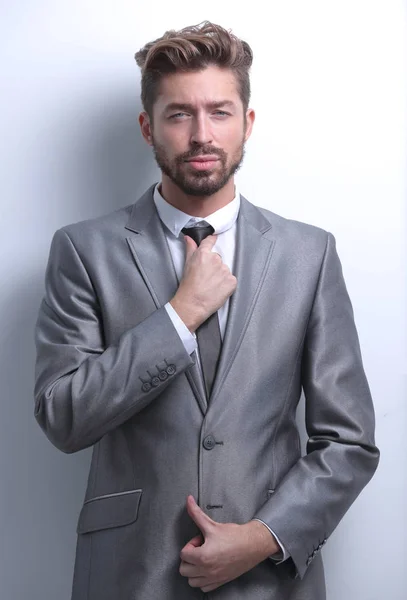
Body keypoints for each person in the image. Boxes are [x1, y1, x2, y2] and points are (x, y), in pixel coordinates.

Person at [33, 20, 380, 600]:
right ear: (148, 127)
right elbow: (63, 416)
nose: (201, 135)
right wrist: (178, 317)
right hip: (131, 573)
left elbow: (348, 440)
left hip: (269, 579)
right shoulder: (82, 250)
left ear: (247, 122)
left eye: (219, 112)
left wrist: (266, 536)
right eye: (178, 115)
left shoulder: (309, 253)